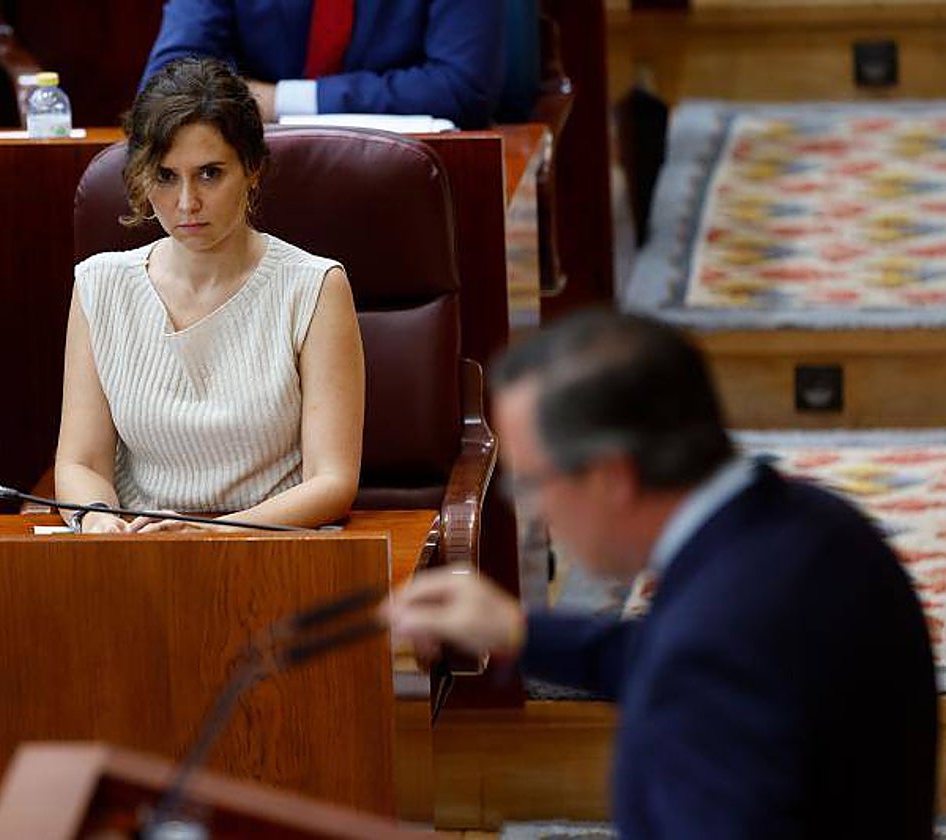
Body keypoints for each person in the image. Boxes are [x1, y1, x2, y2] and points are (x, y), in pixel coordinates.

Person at [386, 311, 937, 837]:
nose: (535, 510)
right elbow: (682, 656)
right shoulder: (822, 525)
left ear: (610, 477)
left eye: (532, 482)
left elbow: (694, 666)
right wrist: (518, 631)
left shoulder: (707, 654)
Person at [55, 57, 364, 534]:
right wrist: (98, 520)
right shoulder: (100, 284)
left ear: (252, 169)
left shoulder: (314, 286)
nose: (187, 203)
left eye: (209, 174)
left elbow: (332, 481)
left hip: (269, 548)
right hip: (140, 549)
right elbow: (81, 463)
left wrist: (214, 534)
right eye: (165, 176)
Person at [140, 0, 504, 130]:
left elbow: (462, 86)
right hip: (257, 175)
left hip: (411, 178)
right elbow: (168, 83)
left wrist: (279, 100)